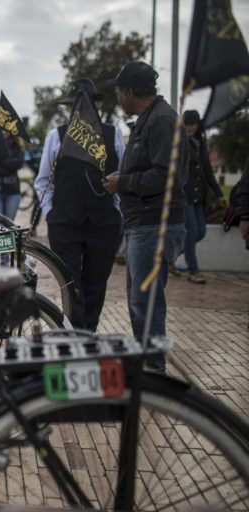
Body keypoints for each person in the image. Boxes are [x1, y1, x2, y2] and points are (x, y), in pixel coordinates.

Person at [103, 61, 187, 372]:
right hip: (145, 224)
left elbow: (167, 177)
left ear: (129, 92)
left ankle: (153, 372)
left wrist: (122, 182)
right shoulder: (150, 120)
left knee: (147, 304)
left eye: (118, 90)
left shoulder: (161, 121)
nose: (116, 96)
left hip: (155, 226)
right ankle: (147, 367)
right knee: (140, 303)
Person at [34, 78, 125, 332]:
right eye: (75, 104)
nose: (80, 108)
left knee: (96, 283)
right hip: (65, 221)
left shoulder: (113, 134)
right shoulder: (57, 135)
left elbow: (122, 176)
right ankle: (76, 335)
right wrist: (51, 213)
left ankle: (89, 332)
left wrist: (115, 209)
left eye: (87, 103)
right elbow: (43, 181)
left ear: (96, 104)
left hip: (104, 221)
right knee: (71, 282)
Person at [174, 109, 225, 283]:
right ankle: (193, 270)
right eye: (186, 124)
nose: (189, 127)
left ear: (198, 125)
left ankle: (169, 259)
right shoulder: (179, 143)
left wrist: (218, 194)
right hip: (185, 195)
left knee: (201, 232)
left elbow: (208, 171)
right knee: (192, 231)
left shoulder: (201, 143)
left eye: (193, 124)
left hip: (200, 195)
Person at [25, 137, 43, 232]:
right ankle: (33, 227)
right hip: (37, 178)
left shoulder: (42, 150)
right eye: (32, 146)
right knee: (37, 203)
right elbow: (27, 161)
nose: (33, 147)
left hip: (48, 178)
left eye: (35, 145)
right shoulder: (29, 152)